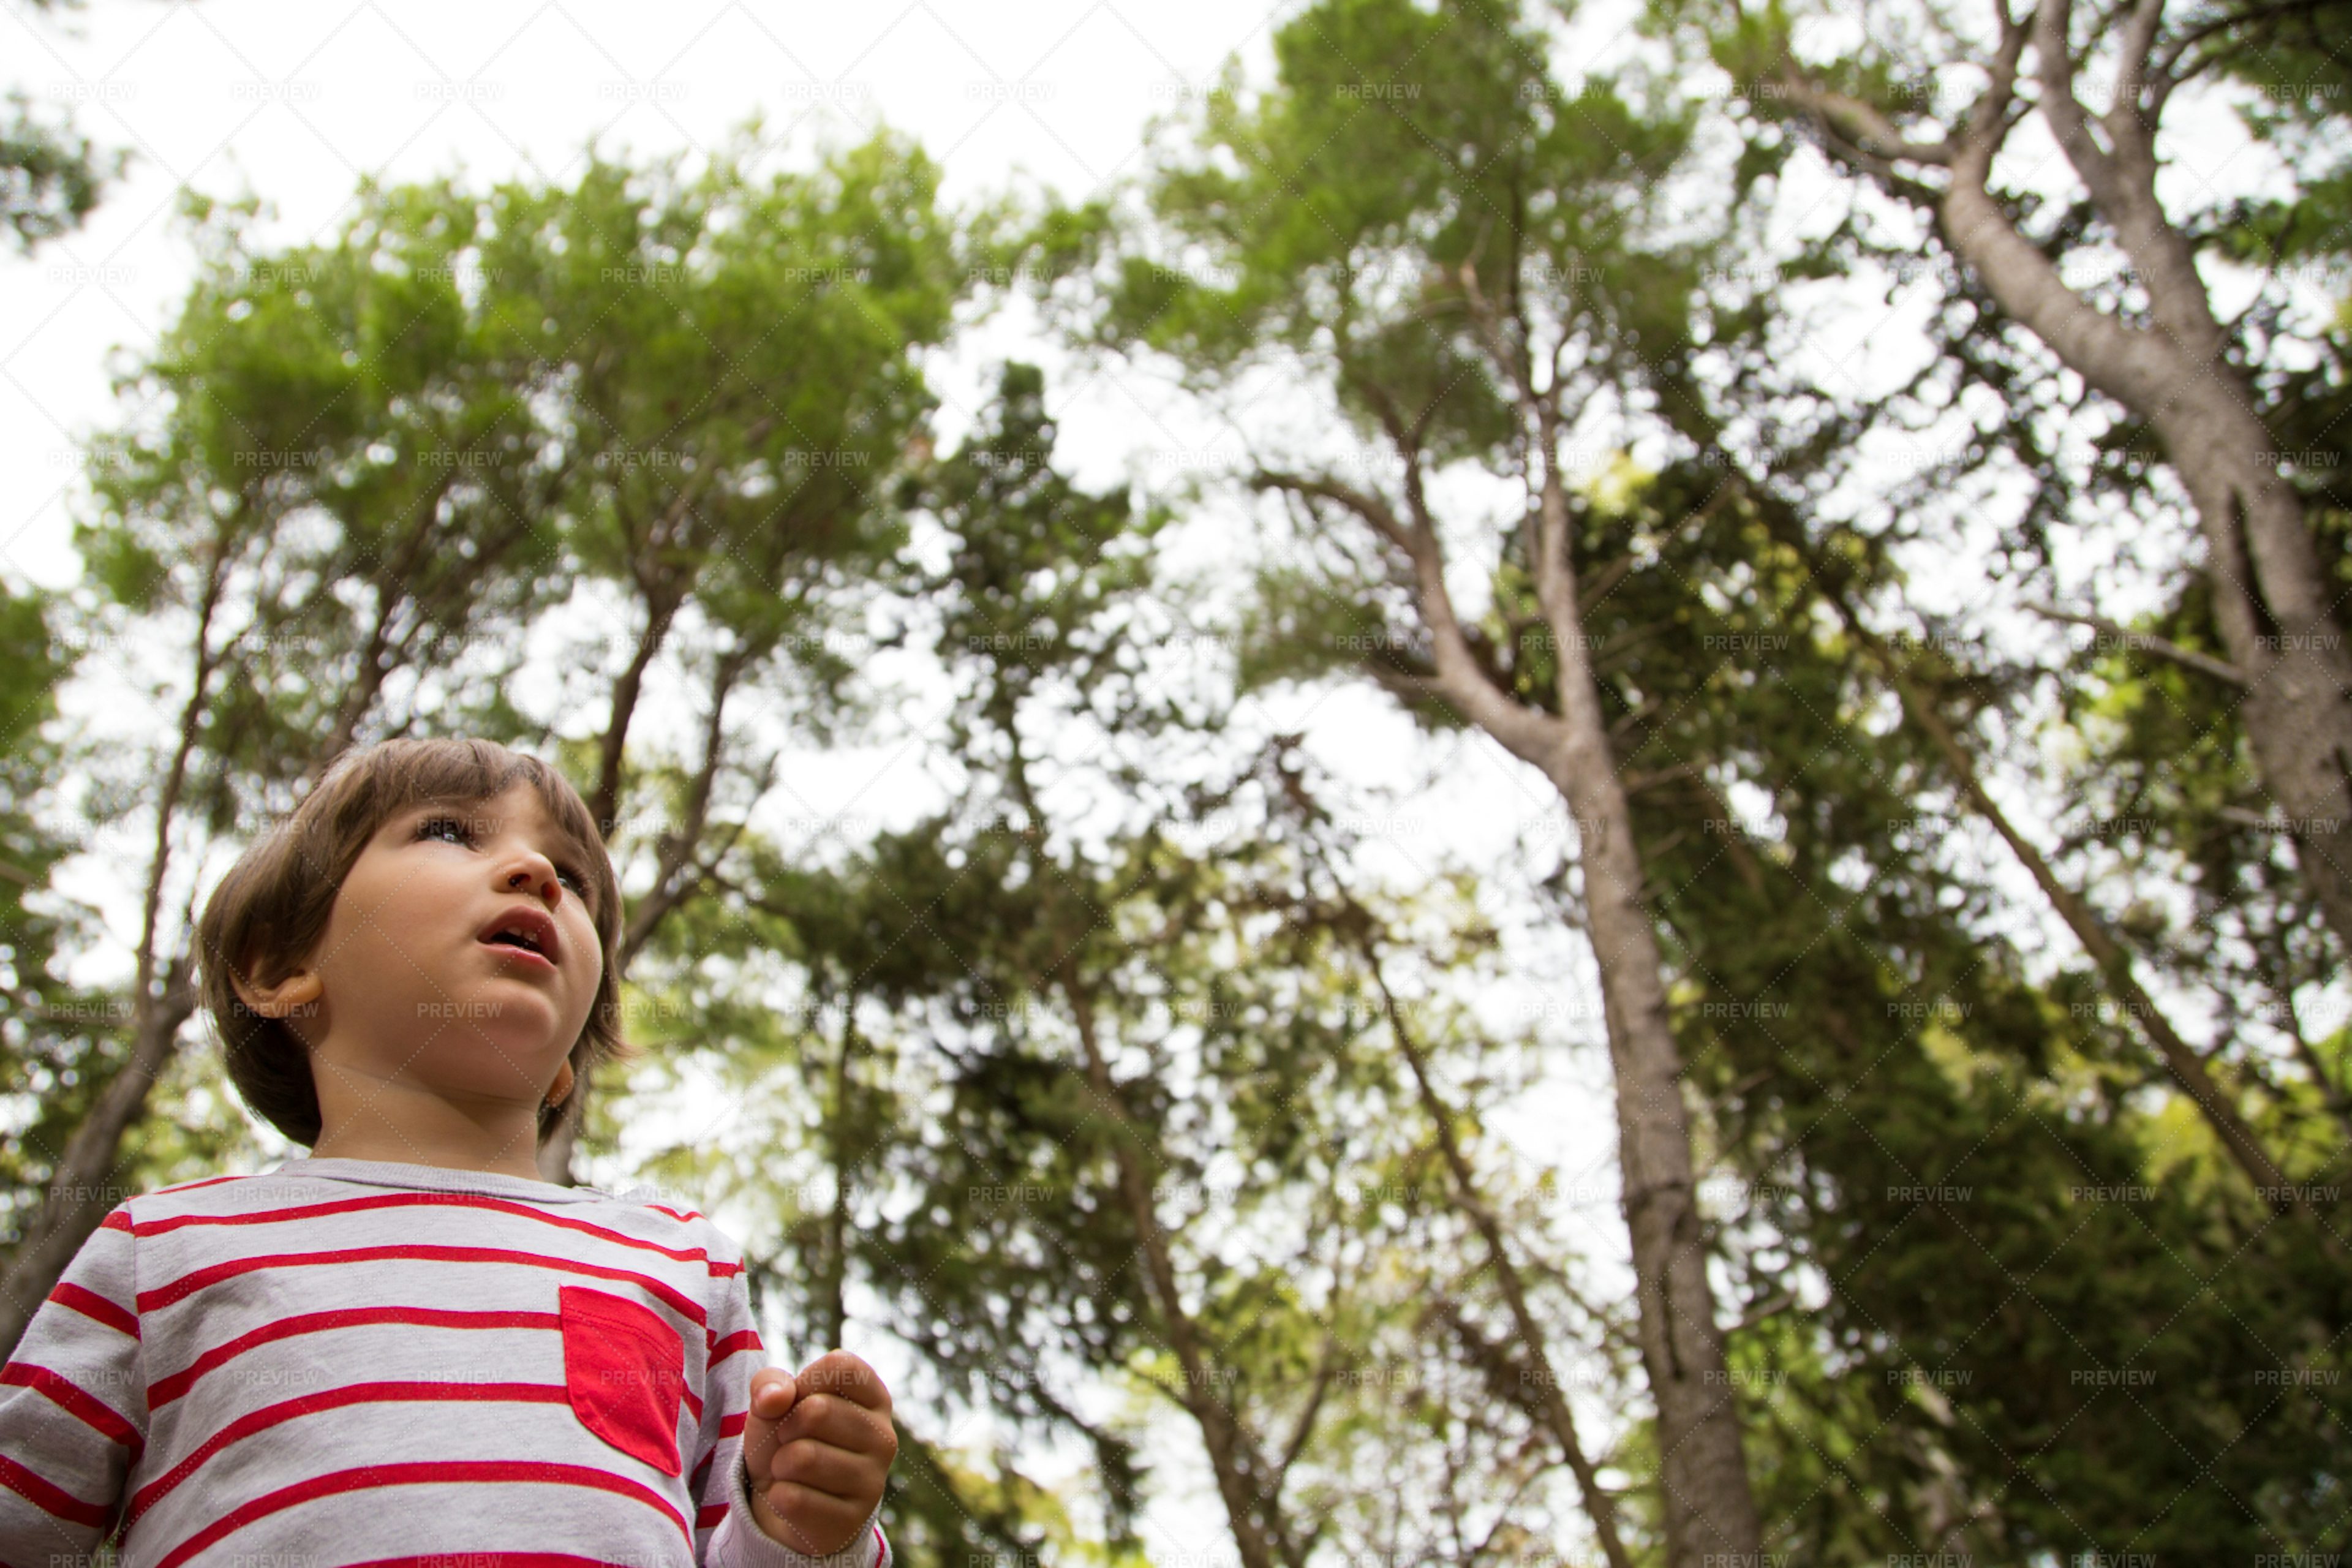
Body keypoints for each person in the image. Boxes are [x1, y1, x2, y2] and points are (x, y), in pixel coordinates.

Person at [0, 737, 897, 1567]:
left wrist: (806, 1530)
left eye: (577, 879)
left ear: (565, 1072)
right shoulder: (166, 1247)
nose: (539, 871)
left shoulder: (680, 1260)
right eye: (448, 830)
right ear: (279, 967)